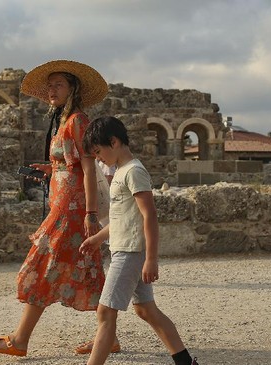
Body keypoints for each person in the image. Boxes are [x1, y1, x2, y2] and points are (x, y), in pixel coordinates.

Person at [0, 60, 110, 357]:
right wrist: (51, 169)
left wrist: (90, 214)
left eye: (58, 85)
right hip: (63, 201)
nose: (52, 90)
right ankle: (109, 335)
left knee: (44, 265)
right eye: (49, 85)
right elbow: (70, 165)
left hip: (72, 208)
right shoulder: (63, 121)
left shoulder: (78, 121)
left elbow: (89, 169)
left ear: (72, 89)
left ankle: (20, 339)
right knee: (88, 269)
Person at [80, 116, 199, 365]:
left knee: (105, 312)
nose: (98, 158)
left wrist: (152, 259)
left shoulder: (134, 171)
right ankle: (186, 362)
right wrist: (97, 239)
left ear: (113, 142)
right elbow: (122, 219)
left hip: (130, 253)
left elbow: (150, 215)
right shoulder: (122, 172)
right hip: (126, 250)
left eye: (98, 151)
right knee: (146, 310)